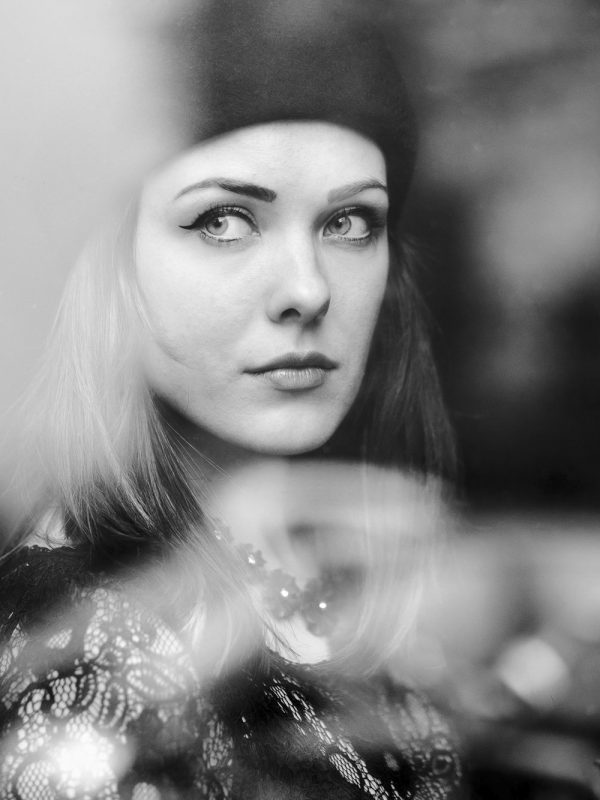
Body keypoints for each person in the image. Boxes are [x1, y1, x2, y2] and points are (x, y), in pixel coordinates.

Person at [0, 1, 462, 797]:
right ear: (110, 265)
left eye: (350, 222)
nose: (308, 290)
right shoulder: (71, 630)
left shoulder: (382, 572)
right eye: (223, 220)